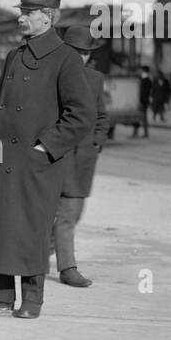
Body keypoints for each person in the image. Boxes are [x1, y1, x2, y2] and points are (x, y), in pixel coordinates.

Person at [0, 0, 95, 320]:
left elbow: (81, 115)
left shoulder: (66, 59)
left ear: (46, 17)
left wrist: (45, 147)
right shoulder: (15, 55)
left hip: (35, 162)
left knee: (30, 227)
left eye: (27, 12)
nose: (20, 17)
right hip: (0, 156)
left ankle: (32, 300)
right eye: (21, 11)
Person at [49, 26, 109, 288]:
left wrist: (97, 142)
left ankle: (41, 253)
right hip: (59, 156)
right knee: (67, 215)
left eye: (87, 53)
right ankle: (67, 268)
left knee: (74, 213)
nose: (82, 57)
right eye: (78, 52)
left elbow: (102, 115)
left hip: (84, 158)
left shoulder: (95, 79)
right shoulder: (52, 75)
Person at [131, 65, 151, 137]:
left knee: (140, 118)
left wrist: (140, 101)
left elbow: (144, 92)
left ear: (143, 71)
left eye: (141, 70)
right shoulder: (145, 80)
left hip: (142, 102)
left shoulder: (145, 80)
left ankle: (140, 133)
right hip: (143, 101)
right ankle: (142, 133)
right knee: (140, 118)